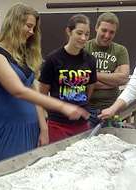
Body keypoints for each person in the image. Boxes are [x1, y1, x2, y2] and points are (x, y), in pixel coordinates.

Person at [0, 4, 90, 165]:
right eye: (28, 26)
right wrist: (62, 106)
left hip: (30, 128)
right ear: (15, 23)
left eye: (33, 28)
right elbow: (18, 91)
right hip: (8, 129)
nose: (31, 32)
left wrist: (44, 129)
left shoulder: (20, 55)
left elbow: (35, 95)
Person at [39, 14, 97, 143]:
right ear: (69, 31)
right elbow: (42, 95)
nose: (83, 38)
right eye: (79, 33)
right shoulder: (53, 59)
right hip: (58, 123)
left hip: (82, 123)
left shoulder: (91, 60)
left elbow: (89, 90)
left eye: (87, 34)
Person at [84, 12, 130, 128]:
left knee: (111, 144)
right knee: (86, 144)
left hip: (111, 109)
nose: (107, 35)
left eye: (112, 32)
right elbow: (81, 80)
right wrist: (113, 80)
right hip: (87, 109)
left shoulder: (120, 50)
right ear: (96, 27)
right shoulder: (84, 48)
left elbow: (123, 78)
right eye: (104, 30)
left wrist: (92, 76)